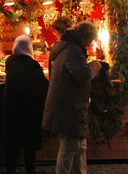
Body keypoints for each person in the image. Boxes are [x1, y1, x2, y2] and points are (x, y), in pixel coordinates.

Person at [42, 21, 102, 174]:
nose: (89, 44)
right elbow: (82, 75)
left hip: (67, 105)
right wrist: (95, 66)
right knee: (70, 148)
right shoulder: (73, 51)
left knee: (78, 145)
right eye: (89, 41)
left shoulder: (66, 48)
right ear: (85, 38)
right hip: (69, 106)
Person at [4, 34, 48, 174]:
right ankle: (30, 168)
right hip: (30, 110)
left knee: (13, 144)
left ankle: (10, 169)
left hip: (12, 109)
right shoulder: (33, 65)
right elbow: (44, 85)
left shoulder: (10, 62)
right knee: (29, 145)